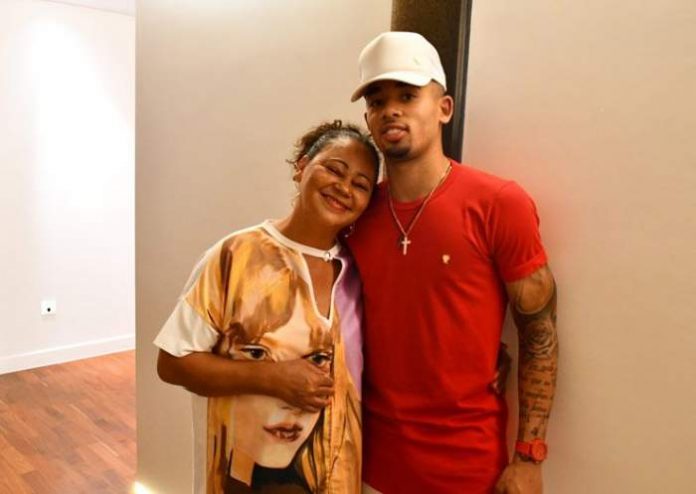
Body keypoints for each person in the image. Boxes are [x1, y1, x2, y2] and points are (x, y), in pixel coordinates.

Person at [346, 32, 559, 494]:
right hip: (367, 466)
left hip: (468, 470)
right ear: (368, 119)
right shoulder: (355, 216)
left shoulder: (499, 203)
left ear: (444, 108)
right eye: (377, 101)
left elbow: (539, 335)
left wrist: (529, 457)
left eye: (407, 96)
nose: (391, 110)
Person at [154, 121, 380, 493]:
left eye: (361, 184)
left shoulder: (359, 272)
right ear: (302, 166)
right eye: (334, 169)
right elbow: (172, 362)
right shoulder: (235, 255)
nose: (344, 188)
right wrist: (270, 377)